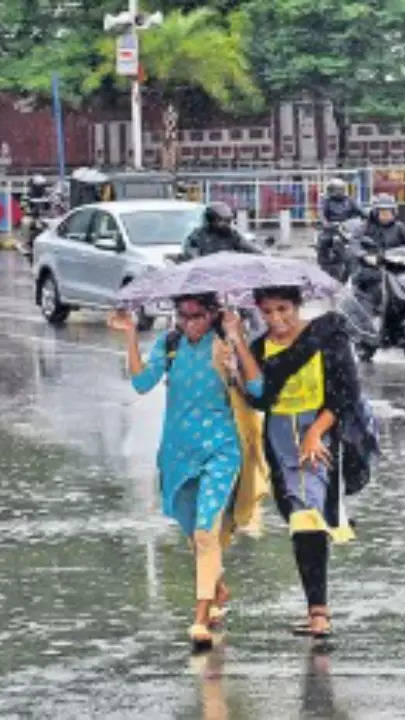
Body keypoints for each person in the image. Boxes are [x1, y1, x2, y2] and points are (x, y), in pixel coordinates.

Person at [109, 294, 268, 651]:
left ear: (212, 314)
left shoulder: (224, 344)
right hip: (178, 453)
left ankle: (200, 618)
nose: (190, 322)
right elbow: (141, 383)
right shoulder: (171, 344)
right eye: (183, 315)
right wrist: (131, 334)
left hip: (221, 451)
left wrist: (237, 346)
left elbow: (257, 389)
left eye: (198, 316)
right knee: (192, 532)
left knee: (205, 530)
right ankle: (216, 586)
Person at [227, 285, 377, 640]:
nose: (277, 319)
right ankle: (316, 608)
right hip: (279, 441)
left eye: (283, 309)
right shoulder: (261, 348)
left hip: (321, 436)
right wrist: (236, 341)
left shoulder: (327, 335)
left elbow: (345, 395)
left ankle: (319, 613)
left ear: (298, 305)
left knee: (307, 513)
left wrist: (314, 434)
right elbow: (259, 395)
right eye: (268, 312)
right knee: (299, 518)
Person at [349, 193, 405, 312]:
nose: (386, 215)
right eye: (382, 212)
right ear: (376, 212)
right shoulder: (366, 227)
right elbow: (354, 243)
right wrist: (364, 255)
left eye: (388, 212)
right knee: (370, 286)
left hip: (396, 266)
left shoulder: (399, 227)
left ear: (394, 212)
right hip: (373, 267)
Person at [183, 202, 265, 259]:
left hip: (229, 275)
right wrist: (201, 261)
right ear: (211, 220)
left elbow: (250, 248)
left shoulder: (232, 234)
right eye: (222, 221)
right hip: (205, 276)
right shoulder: (197, 236)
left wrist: (263, 256)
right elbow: (192, 255)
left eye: (228, 221)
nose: (226, 224)